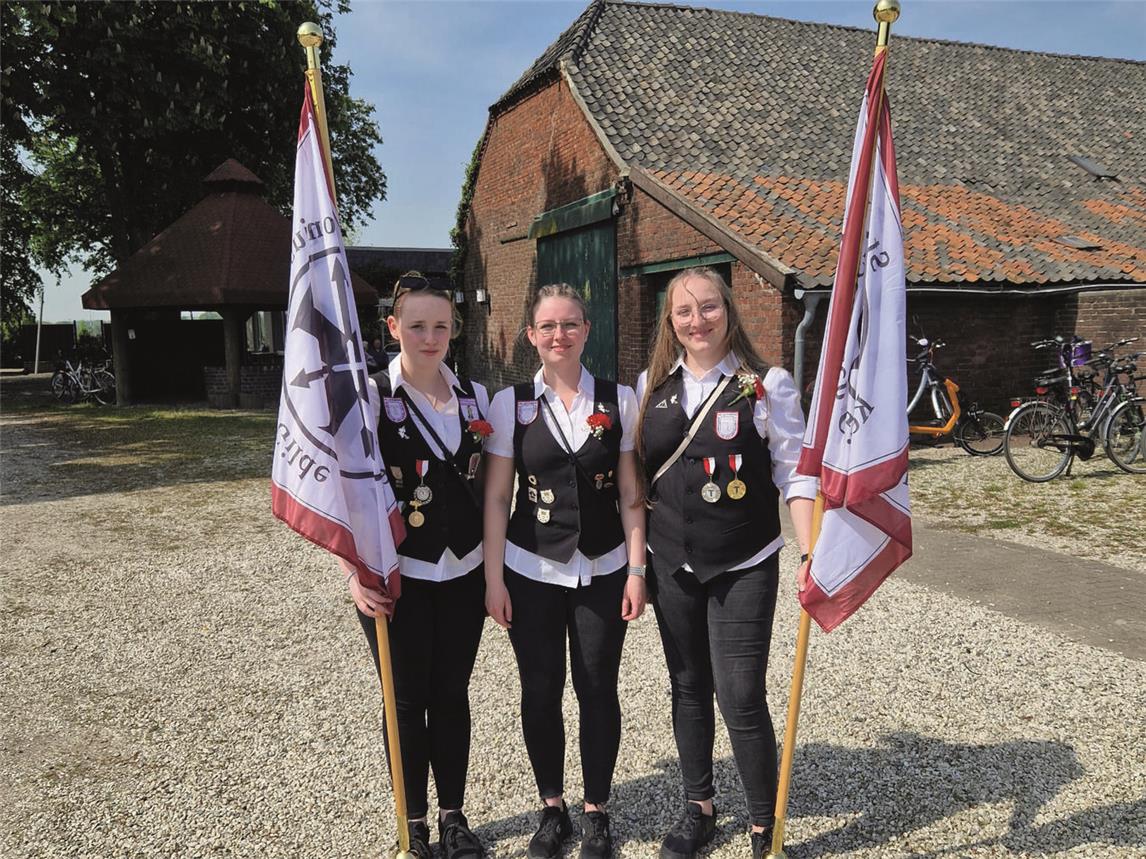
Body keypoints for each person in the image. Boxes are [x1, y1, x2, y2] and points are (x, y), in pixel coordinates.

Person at [635, 267, 816, 859]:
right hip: (671, 562)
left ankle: (766, 825)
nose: (697, 321)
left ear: (729, 310)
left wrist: (812, 549)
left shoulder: (768, 385)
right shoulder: (650, 385)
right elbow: (637, 480)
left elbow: (795, 475)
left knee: (740, 693)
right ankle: (700, 809)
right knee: (687, 687)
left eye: (708, 307)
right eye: (684, 312)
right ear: (670, 321)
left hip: (744, 560)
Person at [483, 283, 647, 859]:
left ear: (587, 330)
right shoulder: (510, 405)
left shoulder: (619, 398)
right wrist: (494, 577)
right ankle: (552, 807)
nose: (560, 335)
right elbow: (498, 495)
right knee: (540, 688)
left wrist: (637, 569)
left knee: (599, 687)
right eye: (548, 326)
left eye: (571, 324)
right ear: (532, 335)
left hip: (604, 567)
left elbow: (631, 491)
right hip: (530, 568)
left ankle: (596, 807)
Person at [342, 272, 490, 859]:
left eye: (441, 327)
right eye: (418, 325)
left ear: (453, 332)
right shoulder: (372, 397)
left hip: (463, 571)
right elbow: (347, 491)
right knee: (404, 700)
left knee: (452, 694)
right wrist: (354, 572)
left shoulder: (475, 397)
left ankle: (454, 818)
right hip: (397, 576)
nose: (430, 337)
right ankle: (414, 822)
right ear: (393, 327)